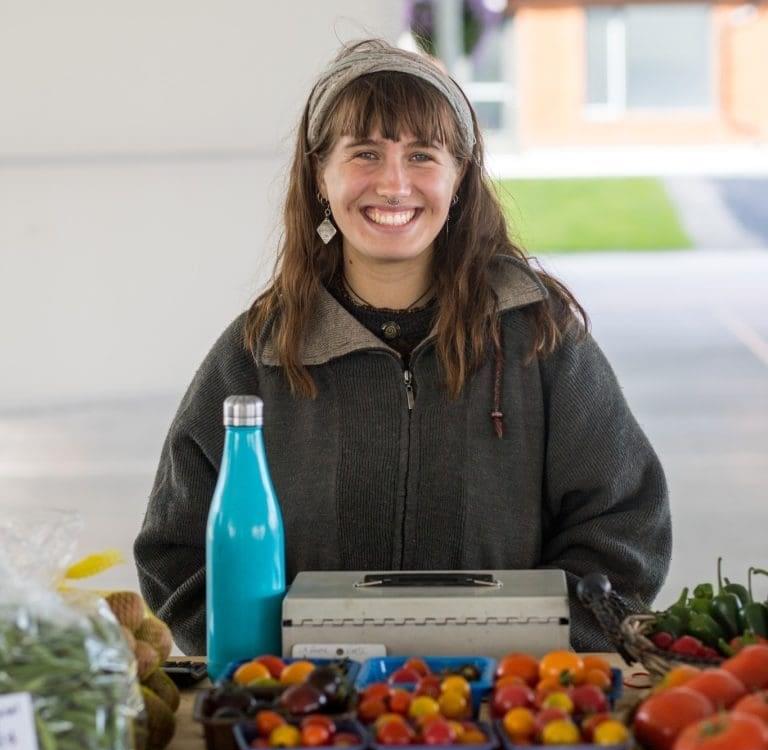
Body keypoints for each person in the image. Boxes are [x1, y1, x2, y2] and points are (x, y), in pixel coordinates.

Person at [134, 38, 671, 656]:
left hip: (510, 698)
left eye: (421, 155)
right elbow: (177, 553)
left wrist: (539, 650)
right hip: (312, 703)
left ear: (459, 177)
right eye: (365, 153)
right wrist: (276, 661)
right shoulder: (257, 352)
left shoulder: (539, 337)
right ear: (320, 175)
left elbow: (625, 528)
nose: (394, 184)